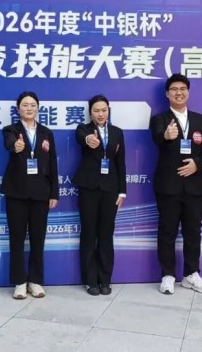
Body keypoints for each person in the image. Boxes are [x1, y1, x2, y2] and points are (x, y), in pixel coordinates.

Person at [149, 74, 202, 295]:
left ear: (188, 92)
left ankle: (191, 274)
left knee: (193, 231)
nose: (178, 93)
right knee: (167, 231)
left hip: (194, 186)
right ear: (167, 94)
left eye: (182, 89)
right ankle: (168, 275)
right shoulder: (160, 119)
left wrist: (198, 164)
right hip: (168, 186)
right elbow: (157, 137)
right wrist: (166, 135)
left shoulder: (201, 120)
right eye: (174, 89)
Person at [0, 91, 59, 299]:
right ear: (18, 109)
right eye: (25, 105)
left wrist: (54, 193)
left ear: (38, 108)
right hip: (16, 193)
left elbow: (52, 163)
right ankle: (19, 282)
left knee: (38, 238)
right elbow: (9, 143)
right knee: (16, 239)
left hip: (41, 193)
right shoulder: (11, 130)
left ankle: (35, 281)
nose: (29, 108)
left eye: (33, 105)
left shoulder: (46, 132)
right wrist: (15, 146)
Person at [73, 94, 126, 296]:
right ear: (90, 112)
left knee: (106, 234)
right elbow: (81, 138)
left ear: (108, 110)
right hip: (88, 188)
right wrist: (89, 139)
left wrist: (122, 191)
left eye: (104, 110)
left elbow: (121, 163)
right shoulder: (83, 129)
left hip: (110, 189)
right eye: (96, 110)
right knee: (89, 233)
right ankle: (90, 280)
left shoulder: (117, 132)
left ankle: (105, 279)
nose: (100, 114)